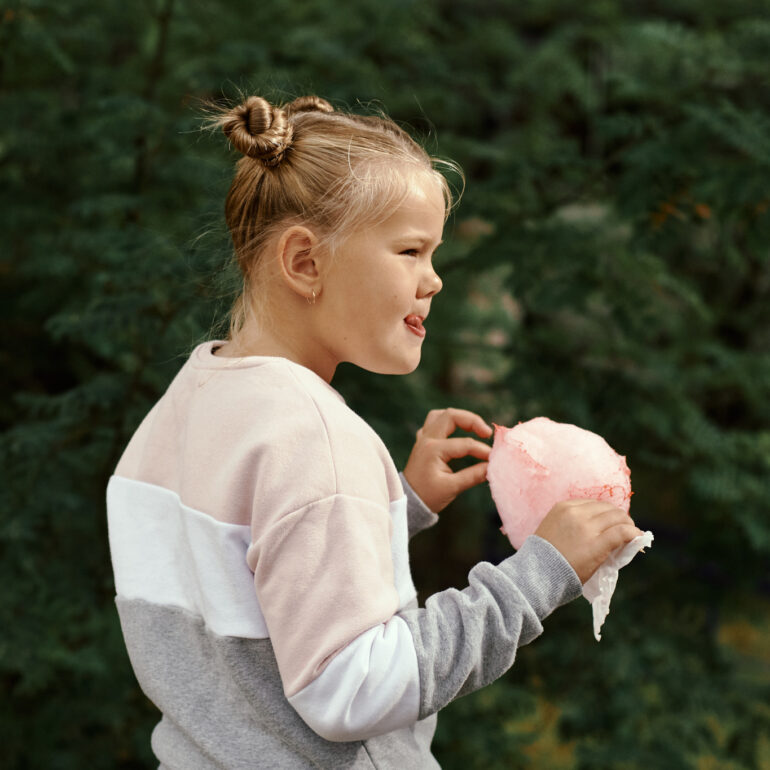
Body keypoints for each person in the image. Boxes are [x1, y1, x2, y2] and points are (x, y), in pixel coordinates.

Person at [106, 94, 643, 769]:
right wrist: (537, 575)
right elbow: (354, 691)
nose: (434, 280)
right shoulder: (317, 438)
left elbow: (249, 586)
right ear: (305, 262)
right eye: (411, 251)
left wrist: (393, 507)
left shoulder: (189, 403)